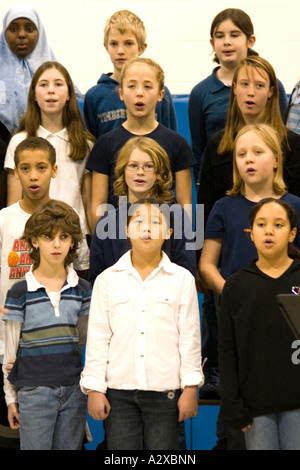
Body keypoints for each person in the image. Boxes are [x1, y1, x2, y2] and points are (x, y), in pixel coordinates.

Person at [199, 123, 300, 449]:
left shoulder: (294, 206)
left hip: (286, 318)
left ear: (276, 160)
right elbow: (207, 263)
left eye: (258, 152)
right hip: (239, 313)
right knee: (238, 383)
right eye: (242, 154)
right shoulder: (224, 207)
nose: (249, 159)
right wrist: (231, 292)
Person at [80, 198, 203, 450]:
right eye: (139, 222)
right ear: (126, 230)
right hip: (118, 392)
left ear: (168, 232)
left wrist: (190, 388)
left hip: (165, 391)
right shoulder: (107, 280)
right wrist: (94, 388)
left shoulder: (182, 280)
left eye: (156, 222)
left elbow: (189, 337)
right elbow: (98, 338)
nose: (147, 228)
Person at [2, 199, 91, 450]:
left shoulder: (83, 290)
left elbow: (81, 339)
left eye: (64, 237)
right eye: (48, 236)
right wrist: (10, 397)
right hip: (33, 392)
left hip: (73, 390)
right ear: (34, 240)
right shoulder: (18, 292)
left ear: (73, 241)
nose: (56, 244)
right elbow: (11, 349)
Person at [219, 197, 300, 450]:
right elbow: (227, 350)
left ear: (292, 233)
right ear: (250, 234)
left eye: (278, 225)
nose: (269, 231)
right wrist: (233, 404)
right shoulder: (236, 285)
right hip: (255, 409)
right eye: (261, 224)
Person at [87, 57, 195, 232]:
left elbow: (185, 207)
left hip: (163, 240)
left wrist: (182, 245)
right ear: (121, 93)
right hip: (118, 240)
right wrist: (104, 245)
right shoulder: (105, 145)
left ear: (161, 95)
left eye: (147, 86)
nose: (139, 93)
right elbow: (98, 207)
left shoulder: (177, 144)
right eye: (131, 86)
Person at [188, 8, 287, 183]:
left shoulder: (273, 86)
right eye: (220, 36)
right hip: (222, 181)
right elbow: (199, 151)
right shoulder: (200, 93)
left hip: (269, 182)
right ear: (212, 43)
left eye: (235, 35)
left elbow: (282, 137)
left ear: (250, 41)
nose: (227, 42)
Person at [89, 136, 196, 285]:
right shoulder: (107, 222)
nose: (140, 172)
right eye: (133, 166)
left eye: (149, 166)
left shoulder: (176, 216)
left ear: (160, 173)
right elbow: (97, 279)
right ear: (122, 171)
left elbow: (187, 272)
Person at [4, 61, 94, 234]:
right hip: (32, 234)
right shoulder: (19, 141)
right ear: (34, 96)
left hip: (73, 234)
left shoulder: (84, 143)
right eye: (44, 85)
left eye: (58, 84)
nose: (51, 90)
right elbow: (13, 204)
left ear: (68, 94)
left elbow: (88, 202)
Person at [83, 9, 177, 139]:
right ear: (106, 47)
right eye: (114, 44)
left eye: (128, 43)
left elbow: (170, 141)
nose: (120, 51)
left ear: (142, 48)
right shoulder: (94, 96)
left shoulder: (159, 92)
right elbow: (91, 146)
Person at [0, 4, 56, 134]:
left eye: (30, 29)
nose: (21, 35)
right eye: (13, 29)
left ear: (40, 33)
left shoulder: (54, 72)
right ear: (4, 33)